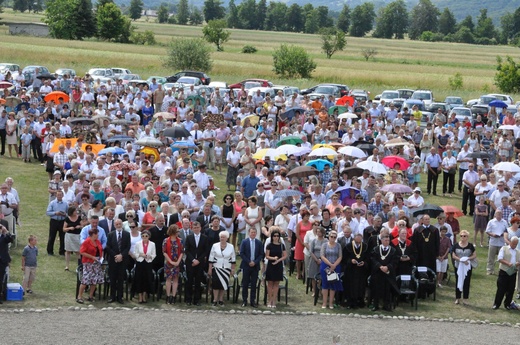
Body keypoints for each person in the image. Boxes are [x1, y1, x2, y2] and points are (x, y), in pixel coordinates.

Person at [184, 221, 210, 306]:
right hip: (190, 263)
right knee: (189, 281)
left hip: (200, 263)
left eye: (197, 227)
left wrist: (198, 260)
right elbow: (186, 250)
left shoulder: (204, 238)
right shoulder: (189, 237)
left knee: (198, 281)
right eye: (194, 228)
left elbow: (206, 251)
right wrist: (193, 260)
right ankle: (188, 299)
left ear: (200, 228)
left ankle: (197, 299)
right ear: (192, 228)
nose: (196, 229)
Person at [370, 234, 398, 311]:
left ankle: (386, 305)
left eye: (388, 240)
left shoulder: (393, 250)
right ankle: (375, 305)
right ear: (381, 240)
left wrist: (387, 267)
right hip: (378, 272)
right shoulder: (376, 249)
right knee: (376, 289)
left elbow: (394, 261)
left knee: (387, 289)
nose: (387, 242)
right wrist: (379, 266)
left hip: (387, 273)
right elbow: (373, 259)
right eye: (385, 240)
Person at [105, 219, 130, 304]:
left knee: (120, 279)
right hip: (113, 260)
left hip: (123, 260)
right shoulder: (110, 234)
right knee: (112, 279)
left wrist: (121, 255)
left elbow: (128, 247)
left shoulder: (127, 234)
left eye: (120, 224)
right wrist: (115, 256)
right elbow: (107, 247)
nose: (118, 225)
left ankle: (120, 297)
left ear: (122, 224)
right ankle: (112, 297)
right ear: (114, 225)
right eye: (117, 224)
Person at [208, 231, 236, 307]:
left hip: (226, 268)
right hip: (216, 267)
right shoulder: (215, 245)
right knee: (216, 285)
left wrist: (232, 269)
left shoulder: (231, 246)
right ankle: (215, 300)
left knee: (223, 285)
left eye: (223, 237)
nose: (222, 238)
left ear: (227, 238)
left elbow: (233, 258)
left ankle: (221, 300)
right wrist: (210, 268)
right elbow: (211, 257)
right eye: (221, 237)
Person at [76, 228, 104, 304]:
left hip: (96, 263)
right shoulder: (86, 242)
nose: (98, 235)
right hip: (88, 263)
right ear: (92, 234)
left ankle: (91, 296)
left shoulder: (98, 241)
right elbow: (82, 252)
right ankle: (79, 296)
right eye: (96, 234)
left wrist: (101, 257)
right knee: (85, 280)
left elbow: (101, 249)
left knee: (94, 280)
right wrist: (92, 257)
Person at [493, 236, 520, 310]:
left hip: (513, 272)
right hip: (504, 271)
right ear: (510, 242)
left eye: (516, 244)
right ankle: (496, 304)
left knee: (511, 289)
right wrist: (508, 263)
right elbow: (500, 258)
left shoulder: (518, 251)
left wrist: (517, 264)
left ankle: (507, 304)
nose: (515, 245)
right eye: (514, 244)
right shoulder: (504, 248)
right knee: (501, 289)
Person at [451, 230, 477, 305]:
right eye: (461, 236)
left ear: (467, 237)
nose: (463, 237)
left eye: (464, 236)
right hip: (458, 265)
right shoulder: (456, 245)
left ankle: (465, 298)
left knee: (466, 282)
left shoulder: (470, 246)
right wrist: (461, 260)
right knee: (458, 281)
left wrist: (467, 259)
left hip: (467, 266)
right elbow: (453, 255)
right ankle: (457, 298)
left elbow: (474, 255)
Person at [239, 228, 264, 308]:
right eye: (252, 232)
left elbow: (261, 254)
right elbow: (242, 253)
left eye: (254, 232)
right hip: (246, 265)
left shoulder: (259, 242)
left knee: (254, 284)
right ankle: (244, 300)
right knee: (245, 284)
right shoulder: (244, 242)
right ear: (249, 233)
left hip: (255, 266)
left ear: (256, 233)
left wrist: (255, 262)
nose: (253, 234)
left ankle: (252, 301)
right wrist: (248, 261)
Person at [344, 232, 368, 309]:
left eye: (359, 242)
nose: (358, 243)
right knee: (351, 286)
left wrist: (364, 262)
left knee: (360, 286)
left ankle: (360, 301)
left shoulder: (365, 246)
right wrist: (350, 261)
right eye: (357, 242)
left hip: (361, 271)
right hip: (351, 271)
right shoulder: (348, 246)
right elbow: (344, 258)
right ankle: (350, 302)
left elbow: (368, 258)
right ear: (354, 239)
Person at [320, 230, 343, 309]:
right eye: (331, 236)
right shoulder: (324, 245)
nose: (333, 238)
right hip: (325, 266)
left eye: (334, 237)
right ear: (328, 237)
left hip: (336, 266)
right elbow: (322, 256)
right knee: (325, 284)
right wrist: (330, 264)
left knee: (333, 285)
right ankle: (324, 303)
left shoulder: (338, 245)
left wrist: (334, 265)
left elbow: (340, 256)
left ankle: (331, 303)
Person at [265, 228, 287, 309]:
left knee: (276, 284)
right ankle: (269, 300)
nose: (276, 237)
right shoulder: (269, 245)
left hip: (278, 265)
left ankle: (274, 300)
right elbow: (266, 256)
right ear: (272, 236)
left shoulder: (282, 245)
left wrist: (279, 260)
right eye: (274, 236)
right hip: (271, 264)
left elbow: (285, 255)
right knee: (270, 283)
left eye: (277, 236)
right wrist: (273, 258)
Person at [133, 229, 156, 303]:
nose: (144, 237)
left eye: (146, 236)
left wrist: (150, 256)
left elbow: (154, 254)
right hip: (140, 263)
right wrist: (140, 255)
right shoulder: (138, 243)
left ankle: (144, 295)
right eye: (143, 236)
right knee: (139, 279)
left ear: (149, 236)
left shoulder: (152, 244)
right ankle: (140, 296)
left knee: (146, 279)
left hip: (148, 263)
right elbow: (135, 253)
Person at [163, 225, 184, 304]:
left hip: (177, 262)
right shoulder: (166, 240)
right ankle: (168, 296)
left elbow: (182, 252)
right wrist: (170, 261)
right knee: (168, 279)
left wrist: (178, 261)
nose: (178, 232)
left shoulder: (180, 241)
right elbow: (164, 252)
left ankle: (174, 296)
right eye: (177, 231)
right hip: (168, 262)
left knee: (175, 279)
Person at [45, 190, 68, 256]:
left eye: (60, 195)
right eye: (58, 195)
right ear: (56, 195)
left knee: (62, 237)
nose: (59, 196)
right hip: (54, 221)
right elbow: (47, 212)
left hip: (62, 221)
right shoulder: (52, 203)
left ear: (62, 195)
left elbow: (68, 213)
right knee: (52, 236)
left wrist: (64, 214)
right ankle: (50, 251)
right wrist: (55, 213)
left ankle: (62, 251)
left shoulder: (65, 203)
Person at [486, 210, 508, 275]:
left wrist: (503, 234)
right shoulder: (491, 222)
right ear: (495, 214)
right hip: (493, 242)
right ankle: (490, 270)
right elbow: (487, 231)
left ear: (502, 215)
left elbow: (507, 231)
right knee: (491, 257)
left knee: (501, 257)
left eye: (500, 214)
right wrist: (493, 235)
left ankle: (501, 270)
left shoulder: (504, 222)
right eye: (498, 214)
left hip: (501, 242)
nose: (499, 215)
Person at [63, 206, 84, 271]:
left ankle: (80, 265)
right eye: (75, 211)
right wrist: (69, 228)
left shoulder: (79, 218)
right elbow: (64, 229)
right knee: (68, 251)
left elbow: (83, 226)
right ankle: (67, 266)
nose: (76, 212)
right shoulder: (67, 219)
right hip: (69, 236)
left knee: (78, 251)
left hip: (77, 236)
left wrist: (79, 226)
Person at [309, 227, 327, 298]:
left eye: (320, 231)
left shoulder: (326, 241)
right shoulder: (314, 241)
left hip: (323, 260)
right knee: (313, 276)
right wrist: (316, 259)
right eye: (317, 231)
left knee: (321, 276)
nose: (318, 233)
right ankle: (314, 290)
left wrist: (321, 259)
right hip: (314, 260)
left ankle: (319, 290)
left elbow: (326, 251)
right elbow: (311, 251)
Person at [295, 210, 312, 280]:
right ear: (303, 217)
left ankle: (304, 273)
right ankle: (298, 273)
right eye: (306, 216)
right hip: (300, 242)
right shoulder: (299, 224)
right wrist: (302, 242)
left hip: (307, 242)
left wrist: (306, 243)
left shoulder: (310, 224)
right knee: (298, 258)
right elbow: (297, 234)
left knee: (306, 258)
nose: (307, 217)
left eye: (308, 216)